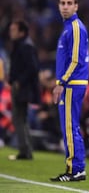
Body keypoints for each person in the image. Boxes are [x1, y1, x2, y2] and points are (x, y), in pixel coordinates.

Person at [50, 0, 89, 182]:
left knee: (69, 127)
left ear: (76, 6)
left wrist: (61, 83)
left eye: (69, 3)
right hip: (72, 83)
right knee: (70, 127)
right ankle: (76, 168)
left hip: (72, 84)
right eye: (62, 3)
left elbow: (75, 60)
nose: (65, 6)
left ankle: (76, 170)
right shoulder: (68, 28)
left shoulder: (74, 28)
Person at [8, 20, 40, 160]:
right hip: (20, 86)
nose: (11, 32)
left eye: (14, 30)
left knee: (18, 118)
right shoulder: (22, 44)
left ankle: (24, 151)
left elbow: (32, 67)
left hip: (22, 88)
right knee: (22, 118)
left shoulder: (26, 46)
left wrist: (19, 81)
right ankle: (26, 150)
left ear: (21, 31)